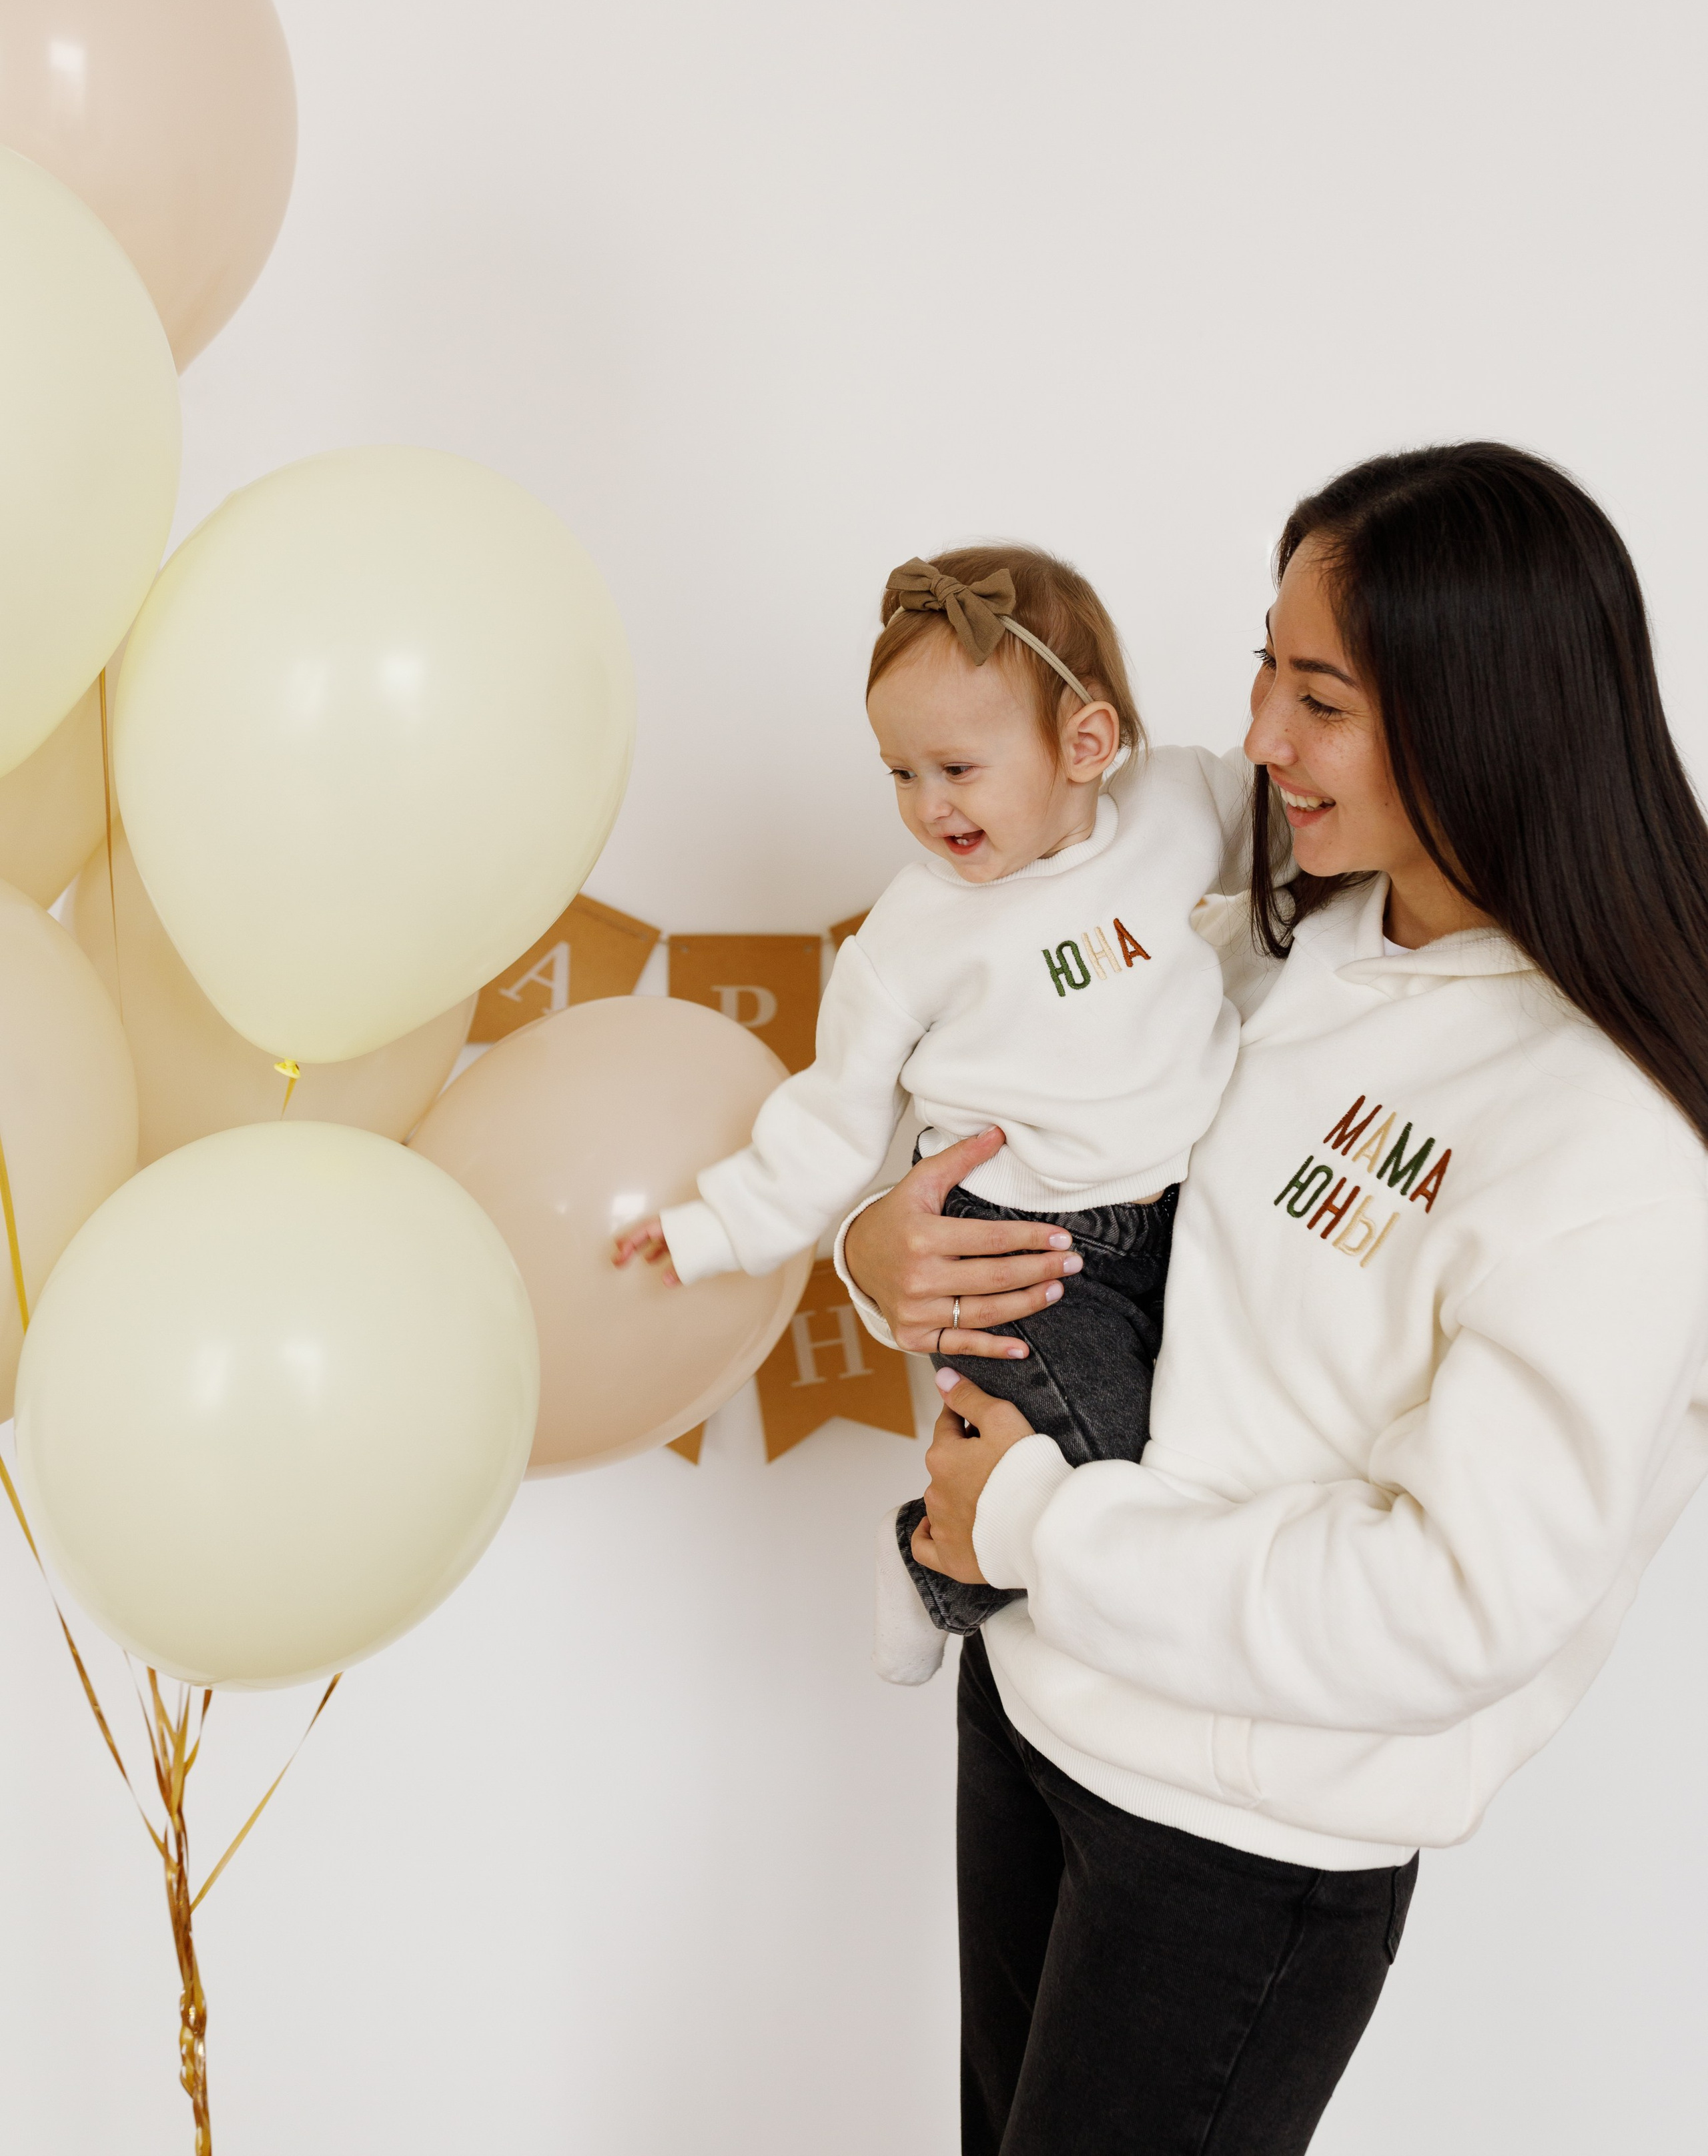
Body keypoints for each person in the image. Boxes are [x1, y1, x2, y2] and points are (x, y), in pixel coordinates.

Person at [839, 442, 1708, 2156]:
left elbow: (1453, 1601)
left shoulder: (1610, 1133)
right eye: (1262, 667)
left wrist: (1035, 1526)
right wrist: (882, 1246)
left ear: (1477, 712)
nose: (1251, 735)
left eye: (1317, 695)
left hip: (1238, 1844)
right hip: (1035, 1698)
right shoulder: (1278, 938)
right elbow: (1034, 1122)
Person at [613, 545, 1253, 1676]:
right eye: (900, 773)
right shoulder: (910, 935)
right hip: (1022, 1240)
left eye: (956, 767)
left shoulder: (1180, 805)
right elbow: (832, 1112)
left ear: (1087, 744)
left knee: (1177, 1456)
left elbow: (1298, 827)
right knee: (1096, 1460)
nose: (927, 806)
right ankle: (930, 1564)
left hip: (1173, 1221)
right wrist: (718, 1225)